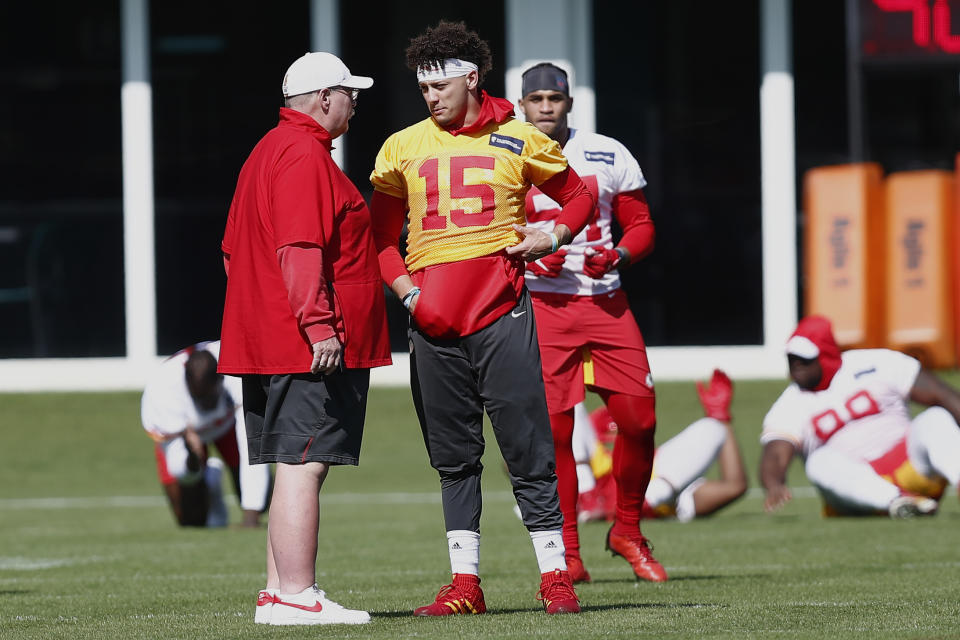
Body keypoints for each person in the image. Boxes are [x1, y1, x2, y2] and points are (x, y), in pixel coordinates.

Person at [369, 22, 595, 616]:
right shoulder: (401, 146)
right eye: (422, 88)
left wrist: (553, 233)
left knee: (528, 448)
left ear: (471, 78)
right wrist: (408, 295)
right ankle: (465, 584)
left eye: (440, 85)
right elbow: (380, 238)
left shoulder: (521, 137)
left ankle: (555, 575)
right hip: (433, 325)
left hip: (500, 313)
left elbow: (581, 196)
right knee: (453, 458)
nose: (431, 98)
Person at [218, 51, 391, 626]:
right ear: (323, 100)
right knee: (303, 464)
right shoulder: (302, 154)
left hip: (271, 338)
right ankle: (296, 593)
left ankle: (278, 592)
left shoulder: (268, 150)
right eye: (349, 92)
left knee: (291, 460)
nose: (355, 102)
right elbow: (299, 247)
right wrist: (319, 325)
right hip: (302, 342)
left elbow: (232, 254)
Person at [515, 62, 664, 584]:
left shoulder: (607, 150)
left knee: (640, 419)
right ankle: (570, 554)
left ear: (570, 103)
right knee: (556, 434)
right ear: (522, 104)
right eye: (536, 99)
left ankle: (627, 529)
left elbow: (641, 224)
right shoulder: (503, 151)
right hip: (543, 308)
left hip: (606, 304)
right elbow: (483, 232)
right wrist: (530, 257)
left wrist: (621, 254)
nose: (546, 107)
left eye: (554, 98)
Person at [760, 315, 960, 519]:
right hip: (856, 492)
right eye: (791, 359)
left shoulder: (876, 362)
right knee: (818, 461)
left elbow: (943, 395)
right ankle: (899, 502)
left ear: (825, 354)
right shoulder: (789, 404)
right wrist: (774, 484)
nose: (796, 365)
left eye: (804, 359)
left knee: (936, 417)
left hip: (910, 466)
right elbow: (775, 453)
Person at [575, 370, 747, 526]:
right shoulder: (672, 498)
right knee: (565, 391)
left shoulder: (668, 480)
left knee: (712, 428)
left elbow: (734, 487)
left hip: (640, 478)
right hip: (604, 484)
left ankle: (622, 506)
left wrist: (720, 417)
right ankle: (592, 498)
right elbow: (734, 486)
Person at [141, 340, 271, 529]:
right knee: (191, 520)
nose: (206, 405)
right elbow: (180, 469)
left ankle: (236, 494)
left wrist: (251, 516)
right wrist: (192, 456)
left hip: (227, 424)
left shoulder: (235, 366)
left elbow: (252, 443)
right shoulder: (163, 390)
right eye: (200, 398)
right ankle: (210, 478)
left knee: (265, 501)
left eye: (210, 397)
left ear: (221, 379)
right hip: (186, 435)